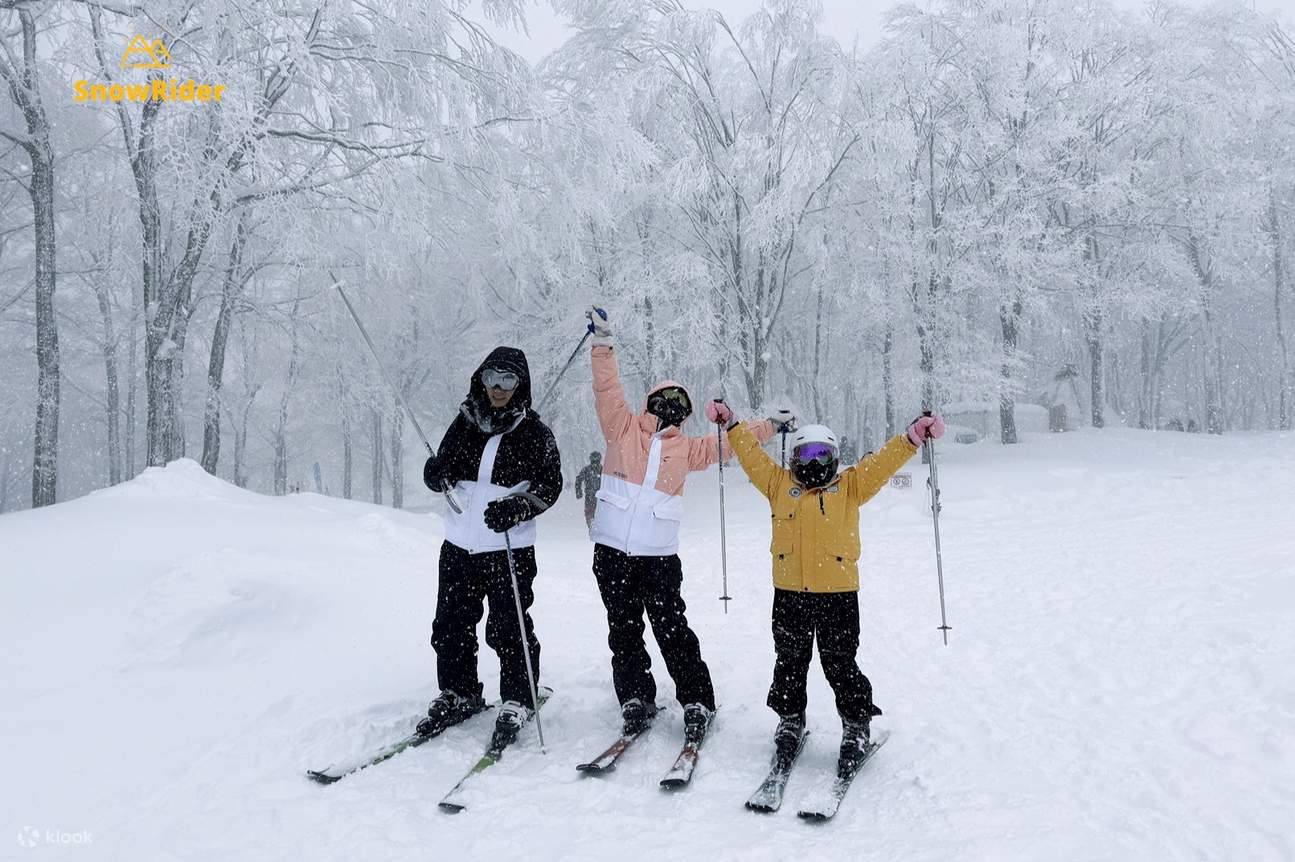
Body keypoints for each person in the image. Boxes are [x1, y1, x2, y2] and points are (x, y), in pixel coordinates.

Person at [584, 306, 785, 744]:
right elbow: (607, 388)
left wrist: (770, 426)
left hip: (658, 558)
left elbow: (733, 443)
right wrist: (603, 342)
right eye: (665, 400)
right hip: (612, 553)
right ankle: (635, 698)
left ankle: (696, 700)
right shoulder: (621, 429)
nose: (671, 409)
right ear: (650, 402)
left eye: (680, 406)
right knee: (623, 630)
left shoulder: (689, 449)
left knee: (672, 629)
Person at [715, 401, 945, 773]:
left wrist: (912, 438)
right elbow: (751, 456)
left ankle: (856, 724)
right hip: (790, 595)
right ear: (794, 458)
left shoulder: (851, 486)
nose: (814, 463)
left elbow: (882, 463)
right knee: (789, 662)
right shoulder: (778, 484)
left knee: (840, 664)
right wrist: (733, 425)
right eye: (807, 455)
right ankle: (790, 719)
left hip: (838, 596)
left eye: (822, 455)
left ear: (835, 458)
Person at [419, 347, 563, 747]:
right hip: (459, 543)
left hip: (507, 547)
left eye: (508, 380)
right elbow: (443, 468)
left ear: (521, 385)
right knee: (451, 623)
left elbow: (550, 485)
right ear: (480, 379)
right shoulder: (465, 422)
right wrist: (435, 474)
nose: (498, 388)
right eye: (491, 378)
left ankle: (518, 697)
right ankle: (459, 691)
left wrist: (519, 506)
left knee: (507, 626)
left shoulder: (534, 432)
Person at [574, 451, 603, 528]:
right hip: (593, 499)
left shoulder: (602, 470)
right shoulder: (588, 469)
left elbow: (578, 480)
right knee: (592, 519)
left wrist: (578, 491)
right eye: (594, 460)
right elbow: (578, 480)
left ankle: (594, 529)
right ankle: (593, 529)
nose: (595, 463)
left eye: (596, 460)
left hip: (598, 500)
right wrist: (578, 491)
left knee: (593, 519)